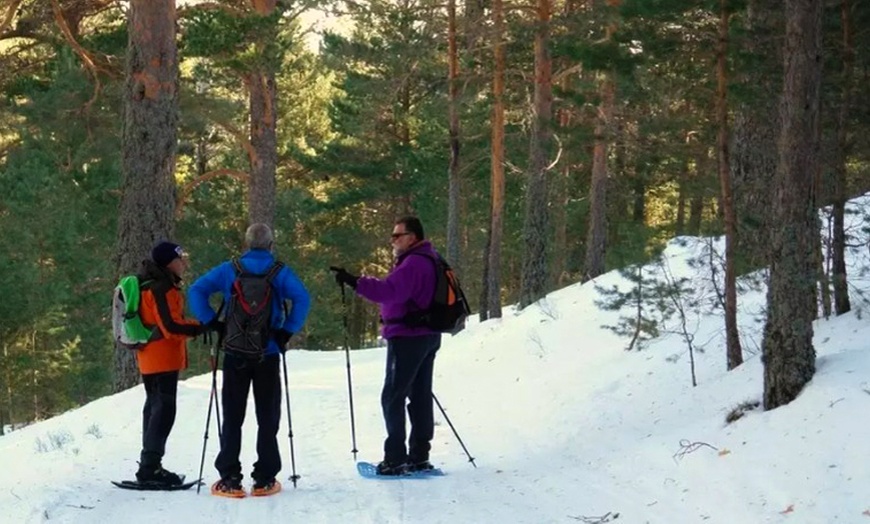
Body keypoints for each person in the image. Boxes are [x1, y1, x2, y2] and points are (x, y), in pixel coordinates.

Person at [188, 223, 311, 498]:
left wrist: (213, 323)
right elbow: (302, 298)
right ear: (270, 244)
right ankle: (264, 478)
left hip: (235, 352)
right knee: (268, 416)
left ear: (246, 243)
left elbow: (196, 290)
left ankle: (230, 478)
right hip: (267, 353)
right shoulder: (279, 272)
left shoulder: (230, 269)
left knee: (232, 415)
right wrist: (286, 331)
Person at [332, 216, 442, 476]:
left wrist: (355, 281)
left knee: (393, 396)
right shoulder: (431, 259)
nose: (393, 240)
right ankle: (419, 456)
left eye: (397, 235)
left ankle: (395, 459)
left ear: (412, 237)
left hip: (408, 337)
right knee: (420, 395)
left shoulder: (413, 263)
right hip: (427, 335)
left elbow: (389, 292)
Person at [134, 241, 208, 486]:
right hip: (161, 358)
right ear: (169, 262)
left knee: (154, 408)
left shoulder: (150, 284)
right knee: (163, 411)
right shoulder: (162, 288)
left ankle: (149, 466)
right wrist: (200, 327)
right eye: (180, 259)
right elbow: (171, 327)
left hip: (150, 357)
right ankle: (150, 469)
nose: (184, 263)